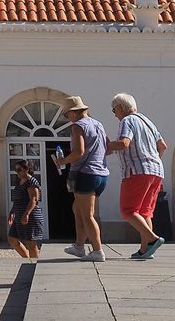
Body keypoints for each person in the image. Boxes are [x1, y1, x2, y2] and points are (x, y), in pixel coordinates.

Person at [106, 93, 167, 260]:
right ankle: (145, 249)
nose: (116, 115)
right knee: (144, 212)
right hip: (156, 171)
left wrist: (105, 146)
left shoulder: (127, 121)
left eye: (114, 111)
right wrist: (152, 161)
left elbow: (124, 143)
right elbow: (162, 146)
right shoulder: (148, 122)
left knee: (128, 210)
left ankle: (153, 239)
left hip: (137, 171)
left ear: (120, 107)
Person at [52, 95, 108, 262]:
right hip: (101, 174)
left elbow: (78, 152)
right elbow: (107, 146)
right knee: (78, 209)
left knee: (88, 215)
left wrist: (61, 161)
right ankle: (79, 246)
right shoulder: (98, 124)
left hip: (86, 174)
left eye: (67, 115)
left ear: (73, 113)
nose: (68, 118)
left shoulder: (77, 126)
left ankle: (97, 251)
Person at [7, 159, 45, 259]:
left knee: (30, 242)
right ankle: (27, 258)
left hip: (30, 215)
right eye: (16, 170)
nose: (17, 172)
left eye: (19, 170)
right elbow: (17, 200)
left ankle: (34, 262)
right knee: (12, 238)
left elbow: (34, 199)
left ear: (27, 169)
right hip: (19, 214)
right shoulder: (18, 182)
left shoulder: (31, 181)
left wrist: (26, 214)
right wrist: (12, 212)